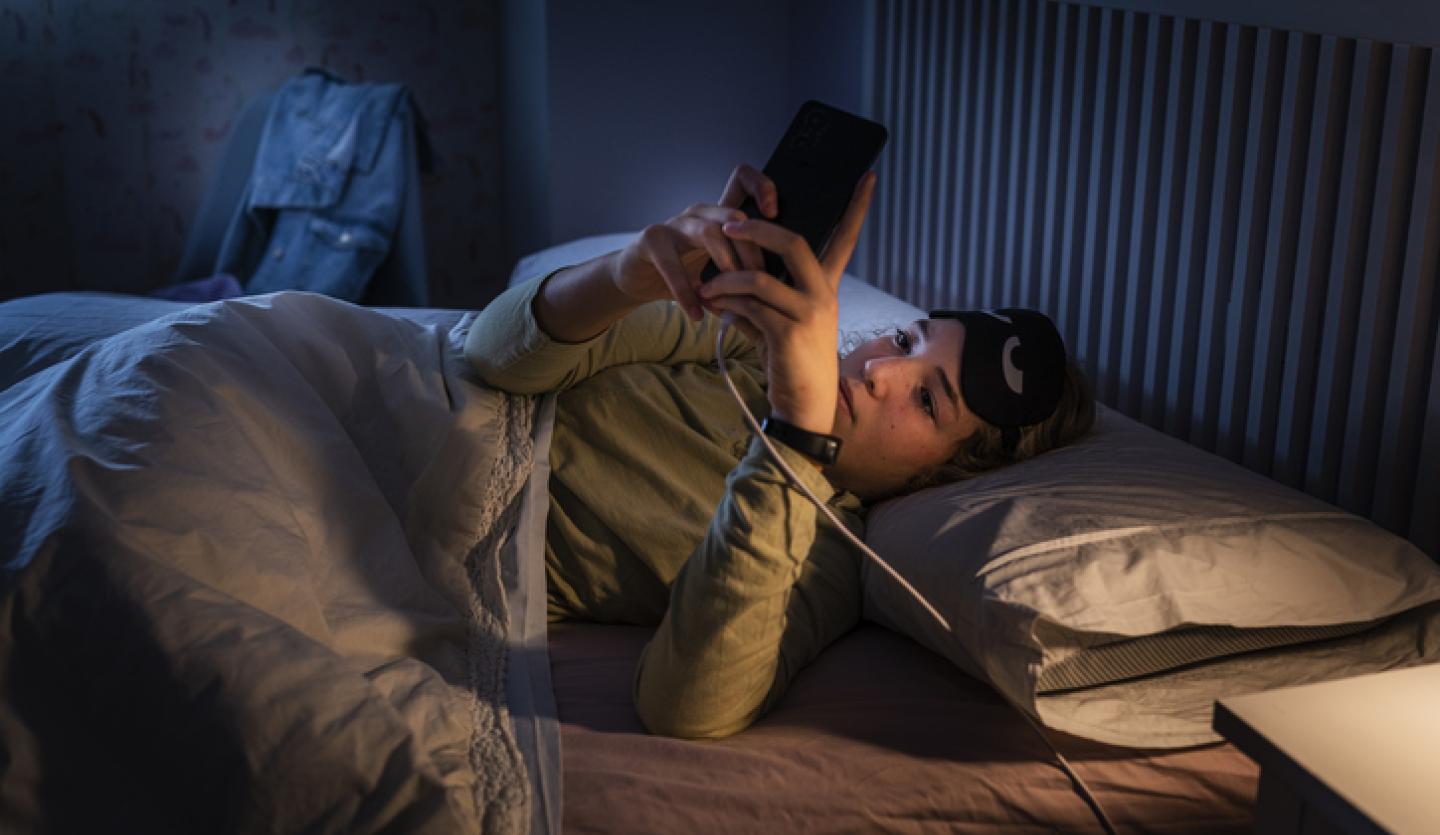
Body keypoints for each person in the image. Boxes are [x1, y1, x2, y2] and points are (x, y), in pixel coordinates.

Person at [464, 164, 1094, 739]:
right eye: (904, 340)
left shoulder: (825, 557)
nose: (880, 371)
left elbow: (684, 709)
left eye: (929, 401)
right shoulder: (744, 347)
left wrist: (795, 436)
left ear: (945, 475)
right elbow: (490, 357)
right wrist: (621, 277)